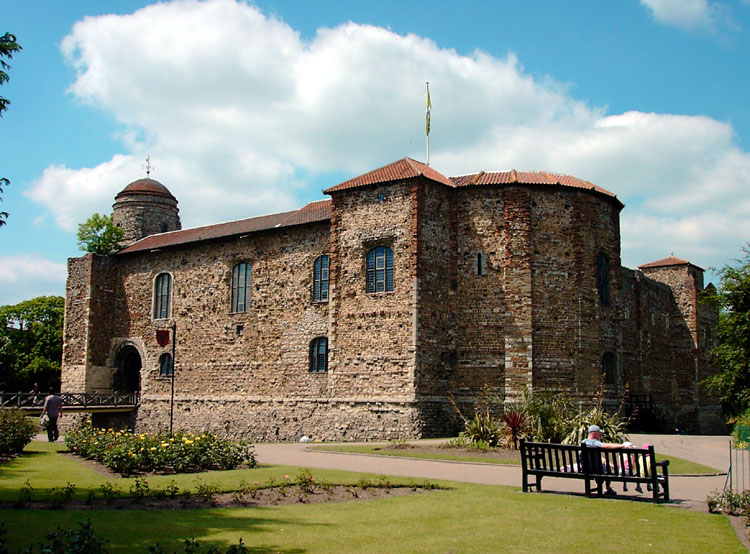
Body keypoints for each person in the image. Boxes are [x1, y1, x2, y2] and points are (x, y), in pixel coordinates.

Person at [581, 424, 620, 496]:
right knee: (608, 469)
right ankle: (607, 488)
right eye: (599, 433)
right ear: (594, 433)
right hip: (597, 470)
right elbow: (606, 446)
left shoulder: (582, 442)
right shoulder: (594, 442)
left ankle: (604, 487)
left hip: (585, 469)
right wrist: (622, 445)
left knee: (604, 467)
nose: (600, 436)